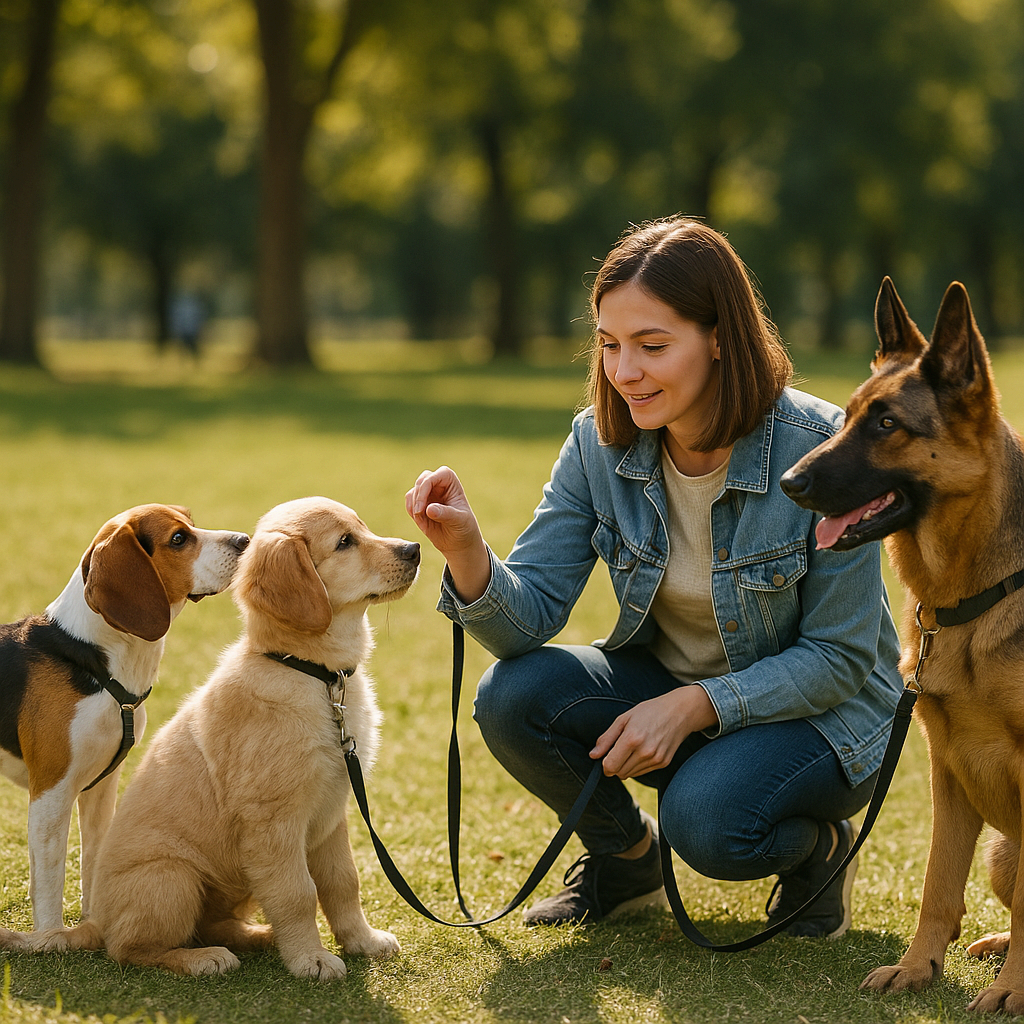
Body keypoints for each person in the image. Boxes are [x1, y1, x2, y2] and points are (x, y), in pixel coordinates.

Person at [405, 216, 902, 937]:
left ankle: (817, 851)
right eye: (609, 345)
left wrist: (695, 705)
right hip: (681, 697)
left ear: (721, 338)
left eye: (652, 346)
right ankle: (629, 861)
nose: (624, 371)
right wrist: (467, 552)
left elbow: (841, 658)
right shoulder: (595, 444)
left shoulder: (826, 451)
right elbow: (531, 617)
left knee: (706, 823)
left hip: (828, 724)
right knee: (513, 697)